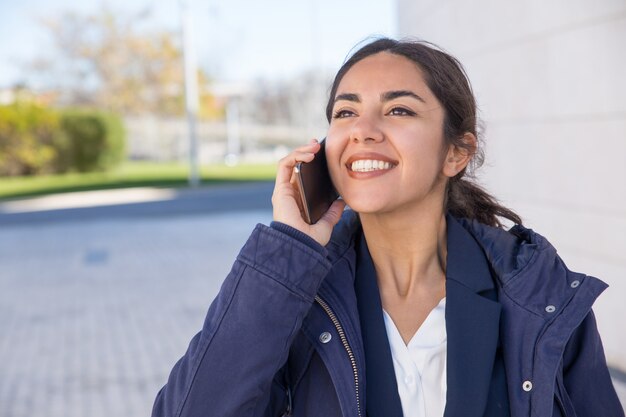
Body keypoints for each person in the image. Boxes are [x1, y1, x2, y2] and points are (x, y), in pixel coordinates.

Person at [152, 38, 624, 417]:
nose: (363, 129)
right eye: (345, 112)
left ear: (455, 153)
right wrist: (289, 249)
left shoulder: (541, 295)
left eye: (399, 110)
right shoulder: (291, 297)